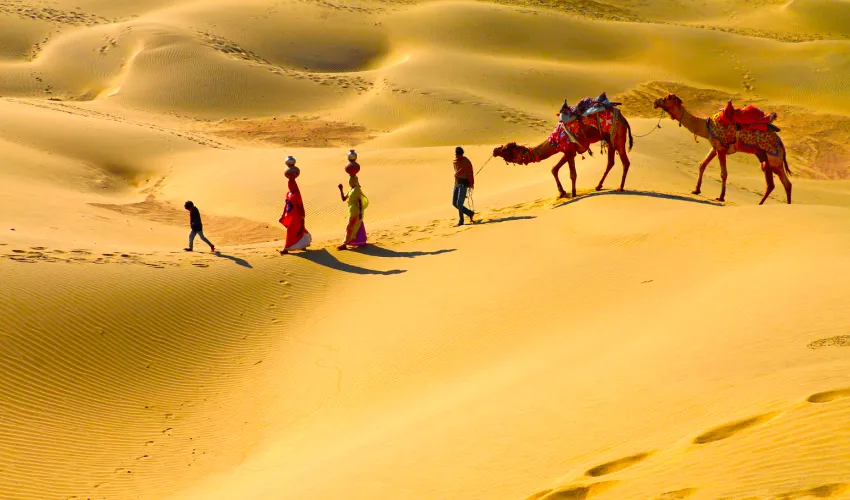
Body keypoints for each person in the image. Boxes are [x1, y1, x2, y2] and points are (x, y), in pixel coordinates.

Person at [279, 156, 311, 255]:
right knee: (298, 230)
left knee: (292, 231)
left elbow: (301, 206)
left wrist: (302, 216)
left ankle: (286, 248)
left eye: (292, 184)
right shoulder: (289, 194)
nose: (290, 185)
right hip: (291, 215)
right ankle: (304, 244)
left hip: (296, 216)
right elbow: (286, 205)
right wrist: (283, 215)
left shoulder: (296, 194)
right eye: (290, 184)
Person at [337, 174, 369, 250]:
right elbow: (344, 199)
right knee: (356, 225)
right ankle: (360, 241)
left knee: (350, 226)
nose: (349, 182)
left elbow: (359, 201)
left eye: (351, 180)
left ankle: (344, 244)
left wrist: (360, 213)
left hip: (356, 211)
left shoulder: (356, 190)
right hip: (351, 210)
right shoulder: (351, 189)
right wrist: (341, 189)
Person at [452, 146, 475, 226]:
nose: (461, 156)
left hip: (463, 184)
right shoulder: (454, 161)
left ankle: (461, 221)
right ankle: (470, 213)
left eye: (462, 154)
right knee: (454, 203)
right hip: (456, 183)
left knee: (459, 203)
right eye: (459, 155)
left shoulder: (466, 161)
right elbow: (457, 170)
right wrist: (457, 173)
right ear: (456, 154)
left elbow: (470, 172)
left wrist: (471, 183)